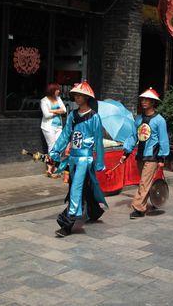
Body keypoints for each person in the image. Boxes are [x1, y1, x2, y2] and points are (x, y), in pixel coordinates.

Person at [48, 81, 107, 237]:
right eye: (76, 95)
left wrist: (100, 161)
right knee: (80, 188)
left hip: (85, 160)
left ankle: (67, 223)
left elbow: (99, 140)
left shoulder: (94, 117)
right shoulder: (72, 115)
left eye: (80, 95)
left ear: (87, 97)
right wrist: (55, 151)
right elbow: (65, 134)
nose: (77, 98)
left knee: (76, 190)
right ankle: (94, 211)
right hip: (72, 159)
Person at [121, 88, 169, 219]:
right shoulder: (138, 119)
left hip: (152, 156)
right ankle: (145, 203)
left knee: (144, 182)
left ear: (153, 102)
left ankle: (138, 208)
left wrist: (162, 157)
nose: (144, 102)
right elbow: (133, 136)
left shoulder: (160, 120)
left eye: (147, 100)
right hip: (140, 155)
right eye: (142, 99)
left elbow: (163, 139)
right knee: (144, 182)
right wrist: (126, 152)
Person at [40, 83, 66, 177]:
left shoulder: (58, 99)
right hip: (48, 127)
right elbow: (46, 115)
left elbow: (64, 110)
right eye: (57, 89)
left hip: (58, 126)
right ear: (52, 90)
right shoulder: (44, 101)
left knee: (58, 147)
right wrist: (58, 111)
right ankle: (51, 169)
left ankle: (53, 168)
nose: (59, 91)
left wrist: (52, 111)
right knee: (52, 147)